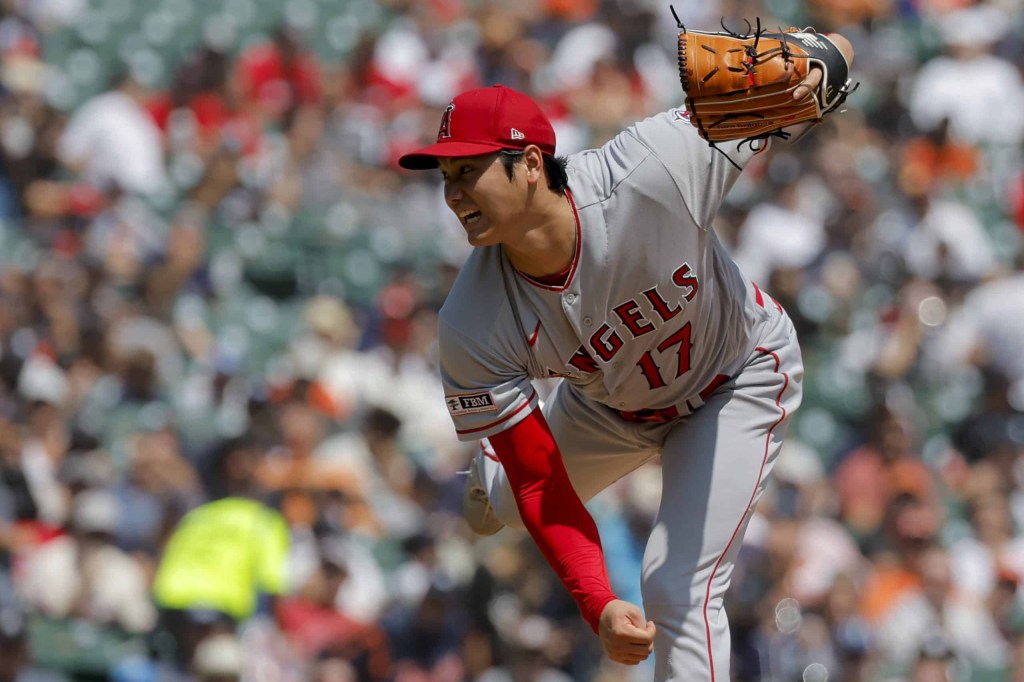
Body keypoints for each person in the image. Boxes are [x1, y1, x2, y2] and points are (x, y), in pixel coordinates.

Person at [398, 29, 854, 680]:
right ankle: (486, 473)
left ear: (530, 163)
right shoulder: (472, 321)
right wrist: (597, 601)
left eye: (469, 171)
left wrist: (817, 60)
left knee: (676, 584)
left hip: (734, 377)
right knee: (502, 503)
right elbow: (539, 483)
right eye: (446, 177)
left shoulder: (656, 166)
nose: (454, 194)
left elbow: (831, 51)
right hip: (608, 409)